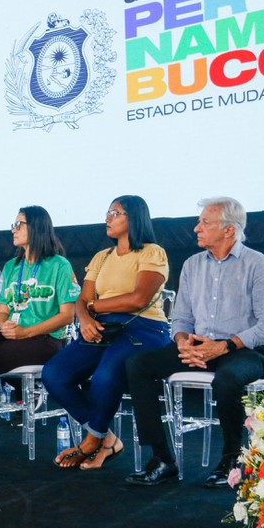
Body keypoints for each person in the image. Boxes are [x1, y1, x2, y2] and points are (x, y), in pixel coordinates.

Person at [125, 197, 264, 487]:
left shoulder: (257, 265)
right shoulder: (192, 264)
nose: (196, 228)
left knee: (227, 379)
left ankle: (234, 460)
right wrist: (183, 342)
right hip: (199, 346)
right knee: (138, 365)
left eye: (205, 223)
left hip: (244, 350)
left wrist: (224, 346)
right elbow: (181, 318)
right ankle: (162, 458)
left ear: (229, 231)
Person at [43, 195, 170, 470]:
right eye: (108, 212)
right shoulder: (102, 256)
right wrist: (86, 320)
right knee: (54, 374)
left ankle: (90, 443)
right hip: (102, 326)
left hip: (144, 327)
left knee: (105, 375)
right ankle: (107, 438)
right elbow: (81, 299)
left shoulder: (152, 252)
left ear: (134, 218)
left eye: (116, 213)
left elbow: (138, 299)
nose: (108, 218)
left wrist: (92, 306)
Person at [0, 206, 80, 461]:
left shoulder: (59, 265)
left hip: (46, 340)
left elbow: (67, 315)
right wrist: (5, 324)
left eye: (19, 224)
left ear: (37, 227)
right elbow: (0, 309)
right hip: (13, 335)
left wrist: (26, 332)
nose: (13, 229)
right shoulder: (12, 266)